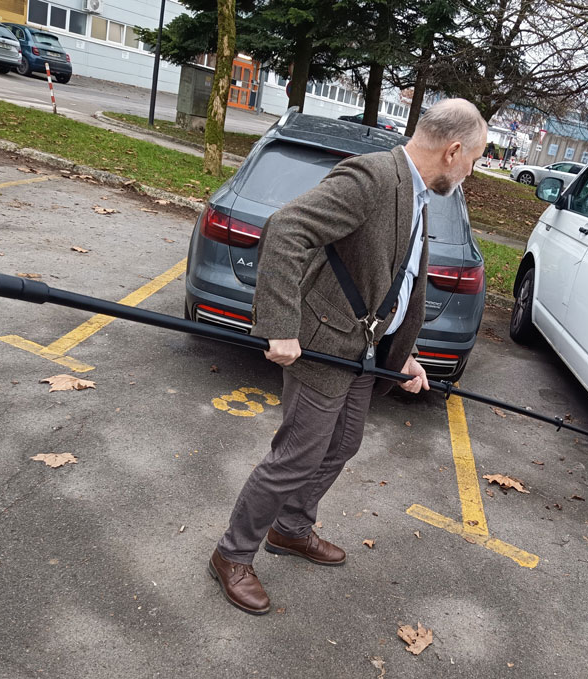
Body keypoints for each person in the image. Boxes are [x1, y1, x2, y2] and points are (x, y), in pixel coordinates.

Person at [208, 99, 489, 615]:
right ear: (453, 151)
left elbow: (394, 280)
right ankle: (232, 554)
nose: (471, 172)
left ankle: (290, 528)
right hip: (324, 344)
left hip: (366, 349)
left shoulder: (419, 194)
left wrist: (401, 356)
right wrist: (278, 325)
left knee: (343, 441)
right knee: (297, 456)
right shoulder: (374, 176)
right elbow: (289, 229)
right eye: (474, 160)